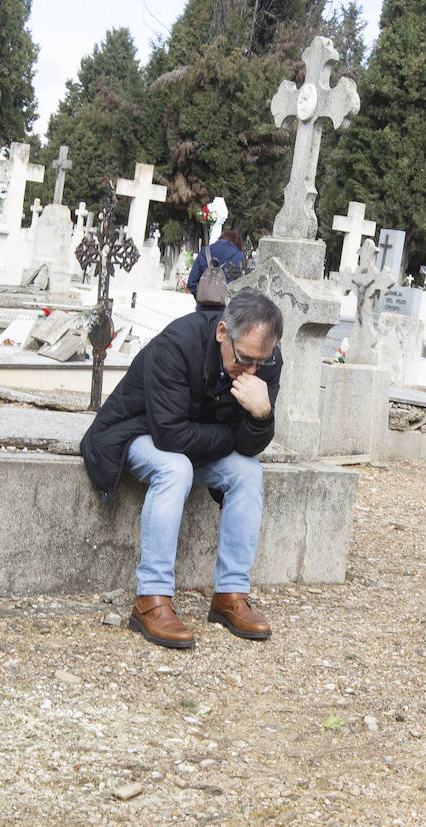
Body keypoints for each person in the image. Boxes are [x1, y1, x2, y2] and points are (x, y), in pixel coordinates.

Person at [81, 288, 283, 649]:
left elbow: (247, 446)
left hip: (192, 441)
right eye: (245, 359)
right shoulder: (177, 344)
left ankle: (230, 595)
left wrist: (262, 414)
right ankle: (151, 599)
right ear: (222, 332)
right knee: (176, 468)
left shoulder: (264, 361)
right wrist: (230, 436)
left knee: (248, 471)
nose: (252, 372)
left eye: (260, 363)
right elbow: (170, 435)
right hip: (137, 432)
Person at [187, 229, 245, 300]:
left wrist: (202, 297)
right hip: (230, 307)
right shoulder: (240, 257)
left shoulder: (205, 252)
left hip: (204, 306)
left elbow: (191, 282)